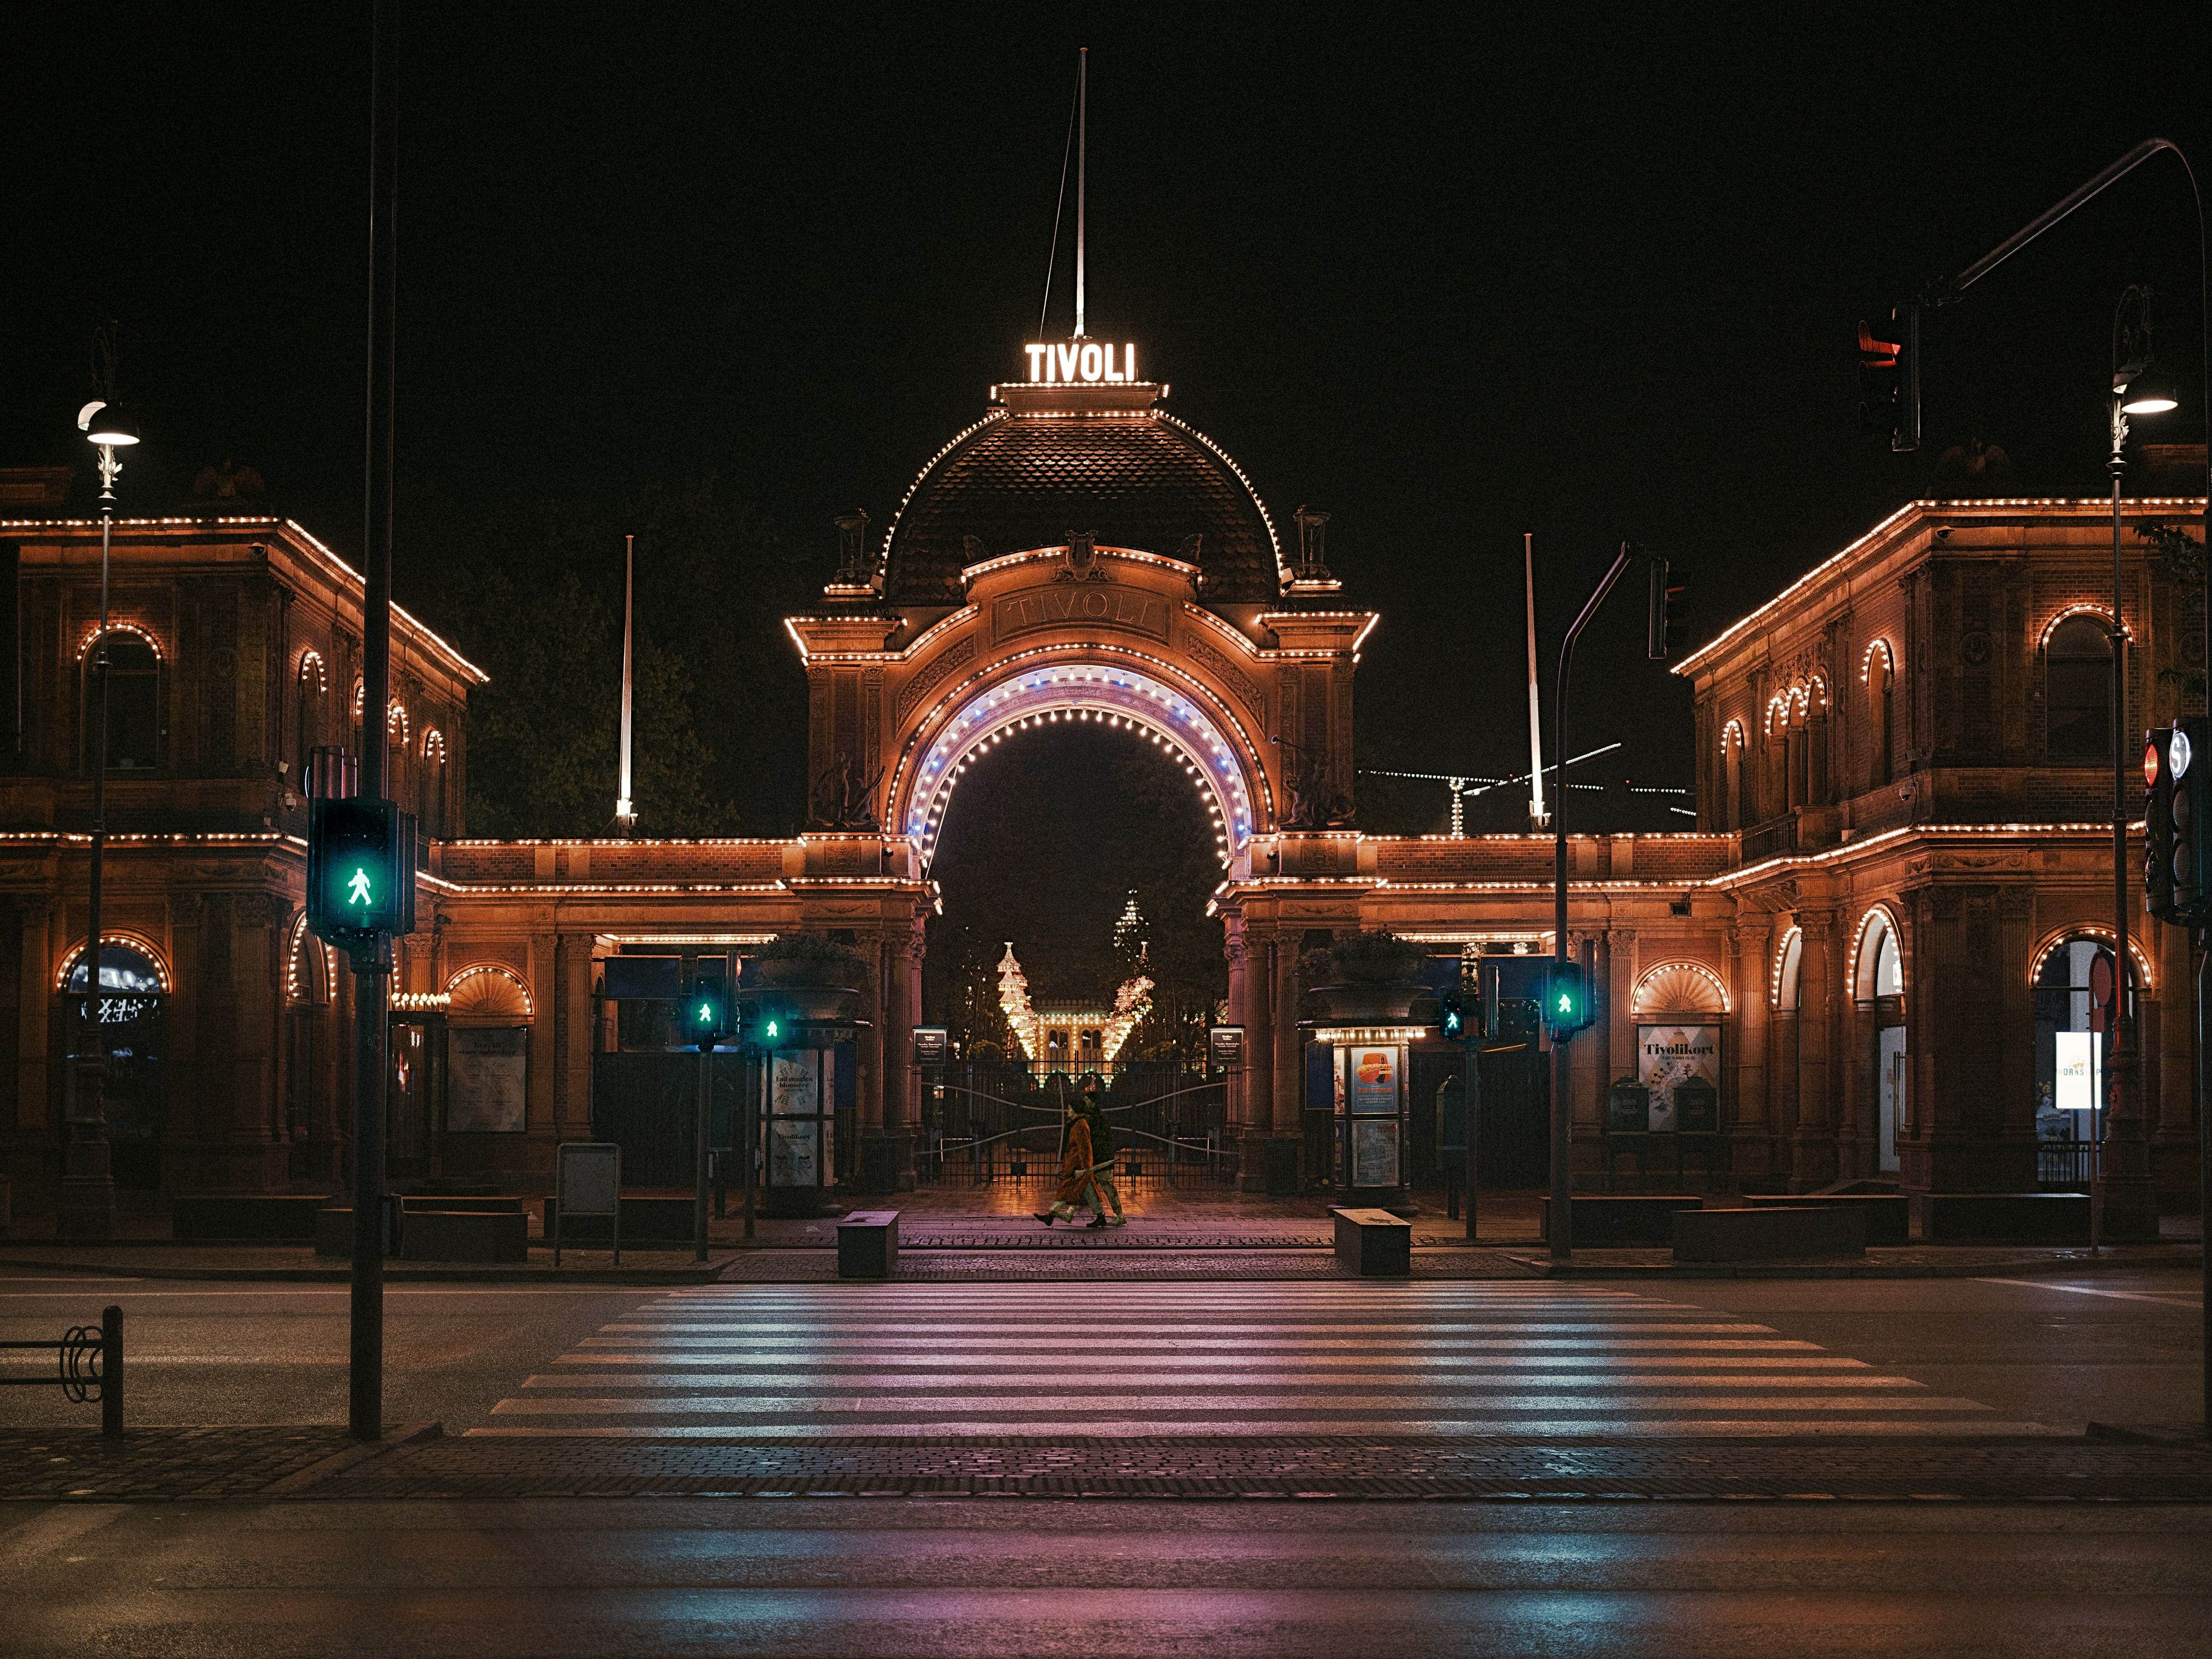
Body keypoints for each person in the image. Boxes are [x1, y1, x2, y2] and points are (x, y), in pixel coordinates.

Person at [1035, 1096, 1100, 1227]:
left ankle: (1051, 1215)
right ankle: (1100, 1216)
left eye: (1070, 1109)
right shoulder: (1078, 1124)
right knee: (1086, 1191)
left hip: (1078, 1167)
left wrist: (1085, 1168)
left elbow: (1085, 1148)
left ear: (1075, 1110)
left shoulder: (1080, 1126)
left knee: (1067, 1191)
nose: (1068, 1111)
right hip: (1077, 1166)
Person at [1080, 1077, 1125, 1228]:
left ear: (1092, 1103)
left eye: (1087, 1100)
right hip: (1098, 1158)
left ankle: (1119, 1215)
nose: (1085, 1102)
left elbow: (1096, 1139)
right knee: (1090, 1188)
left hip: (1101, 1159)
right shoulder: (1096, 1118)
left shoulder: (1095, 1119)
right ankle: (1101, 1216)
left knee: (1107, 1188)